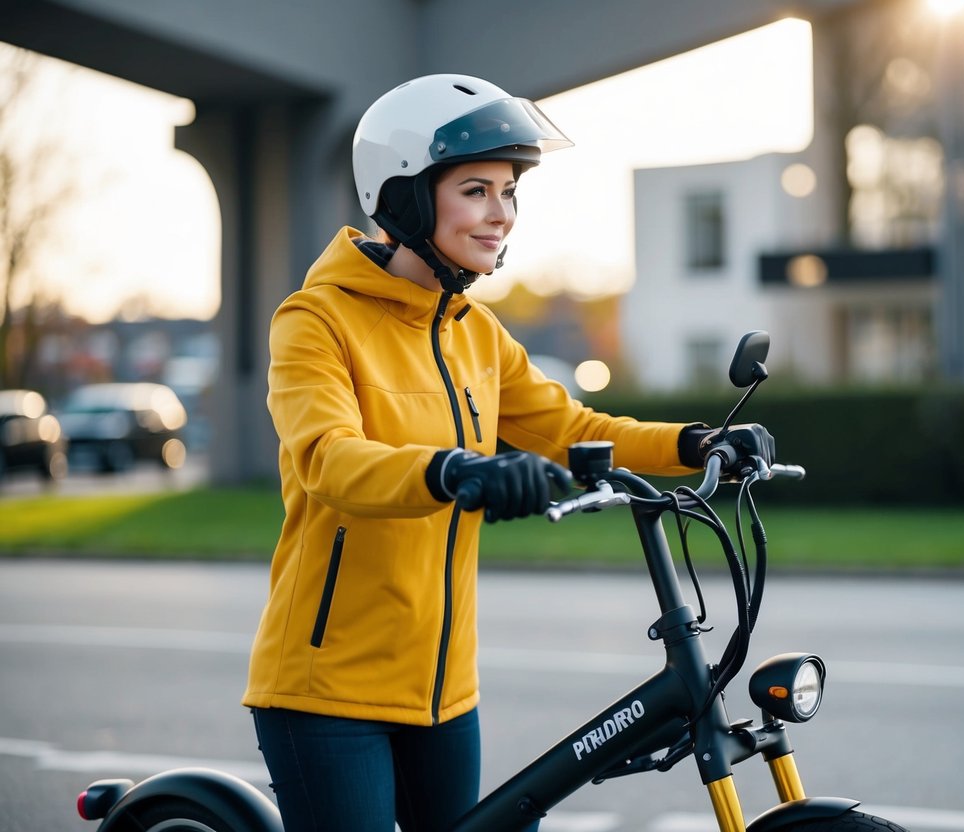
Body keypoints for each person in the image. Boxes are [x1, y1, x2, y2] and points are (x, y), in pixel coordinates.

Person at [242, 74, 720, 832]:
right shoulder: (315, 321)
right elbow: (328, 459)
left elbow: (569, 428)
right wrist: (454, 470)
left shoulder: (475, 332)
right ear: (404, 196)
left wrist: (695, 443)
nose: (501, 214)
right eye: (476, 189)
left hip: (442, 692)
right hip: (325, 691)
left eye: (508, 191)